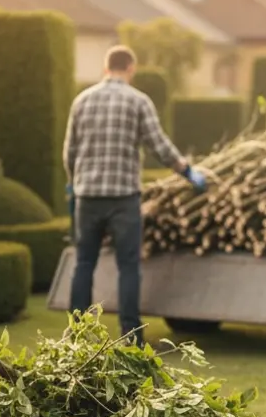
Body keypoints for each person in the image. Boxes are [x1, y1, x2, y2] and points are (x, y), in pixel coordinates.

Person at [64, 45, 205, 347]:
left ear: (105, 67)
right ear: (130, 69)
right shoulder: (138, 101)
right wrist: (186, 171)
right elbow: (159, 145)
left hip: (88, 197)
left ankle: (76, 337)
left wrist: (72, 184)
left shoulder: (82, 101)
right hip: (123, 198)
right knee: (128, 266)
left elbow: (69, 152)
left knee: (84, 263)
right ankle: (131, 337)